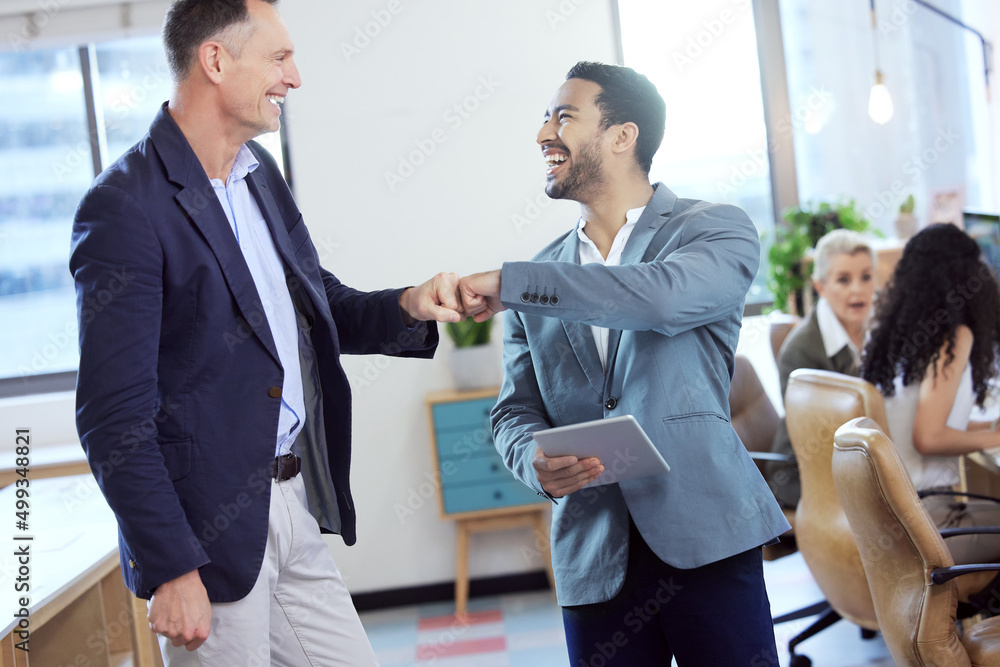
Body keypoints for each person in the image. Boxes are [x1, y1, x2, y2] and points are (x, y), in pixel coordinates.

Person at [70, 1, 464, 664]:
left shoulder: (259, 175)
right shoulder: (124, 206)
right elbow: (113, 417)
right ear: (216, 61)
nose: (296, 77)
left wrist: (409, 305)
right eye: (279, 58)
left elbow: (314, 309)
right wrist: (171, 566)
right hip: (203, 535)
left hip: (291, 500)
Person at [459, 61, 788, 666]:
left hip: (707, 532)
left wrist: (515, 282)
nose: (543, 134)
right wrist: (532, 458)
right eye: (544, 117)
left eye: (564, 116)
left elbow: (657, 297)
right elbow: (514, 409)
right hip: (593, 547)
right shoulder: (541, 273)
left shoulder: (714, 230)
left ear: (622, 135)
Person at [862, 223, 1000, 567]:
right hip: (928, 523)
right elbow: (928, 437)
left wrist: (985, 429)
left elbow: (916, 416)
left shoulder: (889, 332)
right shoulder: (953, 338)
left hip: (886, 518)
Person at [766, 229, 876, 509]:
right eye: (843, 280)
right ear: (821, 287)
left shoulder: (877, 328)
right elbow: (824, 436)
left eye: (866, 277)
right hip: (808, 474)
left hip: (861, 462)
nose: (857, 289)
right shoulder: (801, 350)